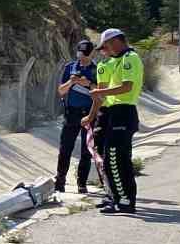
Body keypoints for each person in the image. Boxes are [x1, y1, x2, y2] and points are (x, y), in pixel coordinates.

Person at [82, 28, 144, 214]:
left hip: (124, 111)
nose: (104, 50)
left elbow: (127, 86)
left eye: (106, 46)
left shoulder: (129, 59)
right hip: (113, 112)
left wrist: (100, 92)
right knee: (111, 158)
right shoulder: (114, 61)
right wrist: (93, 114)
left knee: (116, 158)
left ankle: (123, 200)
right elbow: (104, 91)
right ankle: (116, 197)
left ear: (116, 41)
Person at [54, 40, 97, 193]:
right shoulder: (70, 67)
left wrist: (88, 84)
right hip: (71, 113)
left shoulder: (97, 69)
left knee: (86, 150)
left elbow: (101, 92)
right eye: (81, 54)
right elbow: (61, 91)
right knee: (65, 148)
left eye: (86, 54)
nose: (83, 57)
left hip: (89, 113)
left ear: (92, 53)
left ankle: (82, 183)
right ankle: (60, 181)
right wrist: (71, 82)